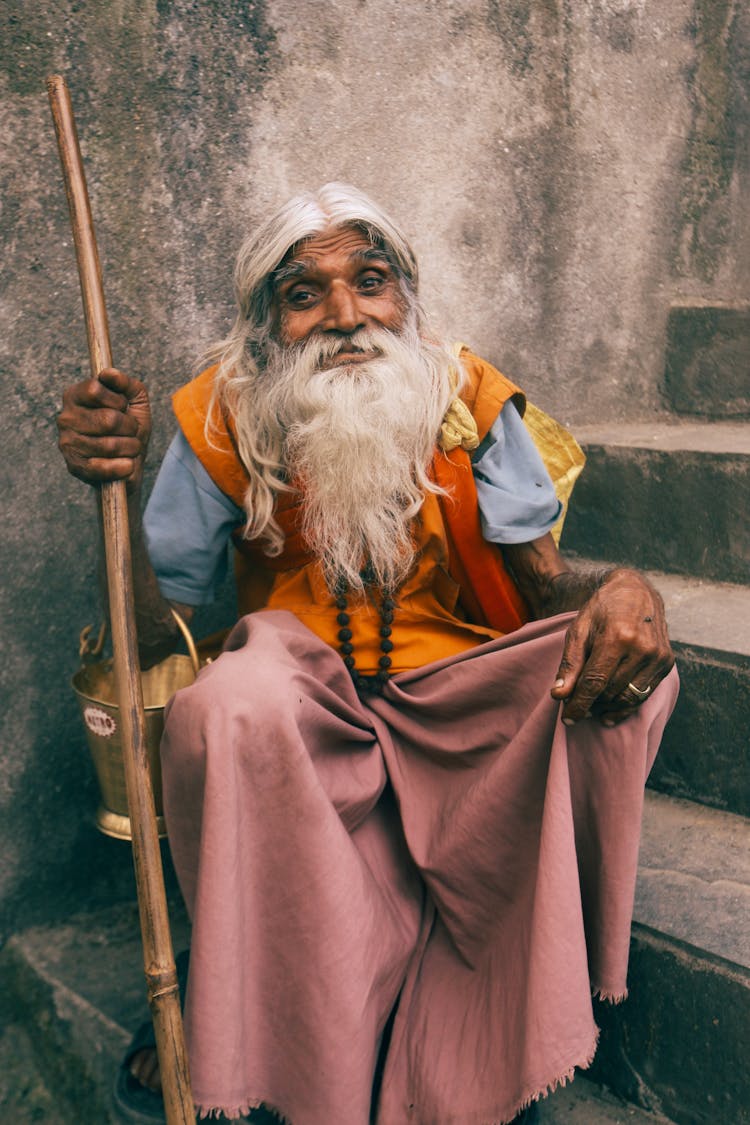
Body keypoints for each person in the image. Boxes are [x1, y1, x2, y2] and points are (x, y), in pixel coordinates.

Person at [57, 183, 678, 1125]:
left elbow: (548, 586)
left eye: (372, 282)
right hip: (301, 694)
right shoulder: (220, 412)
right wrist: (116, 476)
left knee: (625, 678)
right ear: (267, 324)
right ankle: (247, 1011)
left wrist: (625, 590)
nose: (345, 317)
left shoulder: (466, 394)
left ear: (408, 298)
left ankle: (501, 1014)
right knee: (223, 703)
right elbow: (155, 632)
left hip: (453, 694)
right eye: (306, 295)